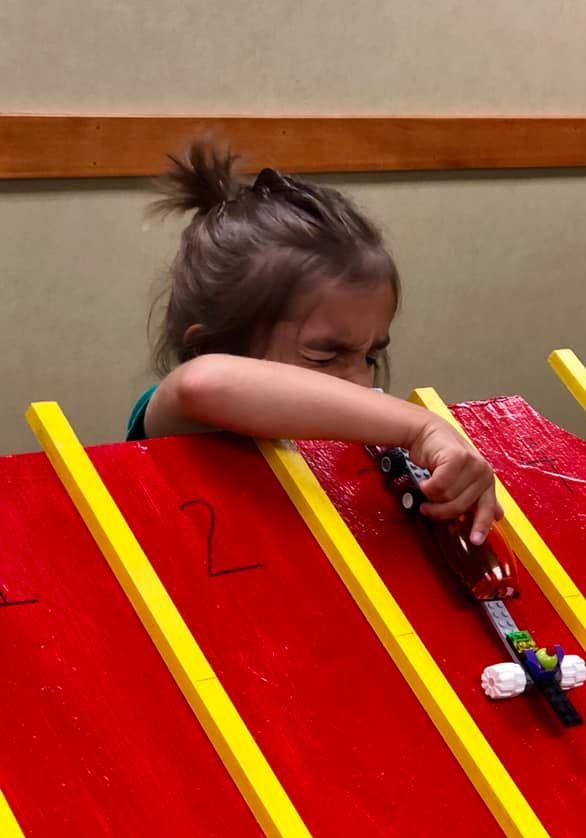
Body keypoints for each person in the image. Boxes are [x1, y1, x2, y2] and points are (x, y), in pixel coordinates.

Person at [128, 141, 501, 544]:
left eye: (371, 356)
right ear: (209, 347)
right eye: (326, 356)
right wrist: (422, 427)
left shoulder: (339, 450)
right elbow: (202, 382)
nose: (359, 383)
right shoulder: (183, 420)